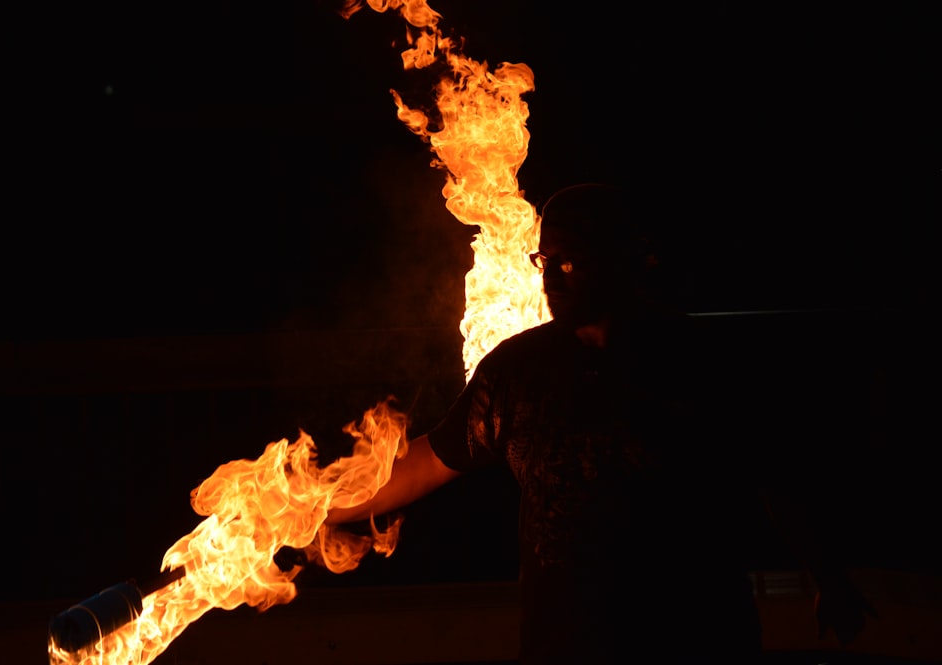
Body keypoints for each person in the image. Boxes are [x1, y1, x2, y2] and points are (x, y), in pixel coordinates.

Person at [327, 183, 874, 663]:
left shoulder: (701, 361)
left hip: (697, 640)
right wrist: (309, 511)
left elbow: (775, 475)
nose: (554, 280)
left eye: (573, 262)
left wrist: (828, 576)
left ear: (625, 262)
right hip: (567, 647)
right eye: (547, 261)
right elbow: (429, 460)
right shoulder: (516, 372)